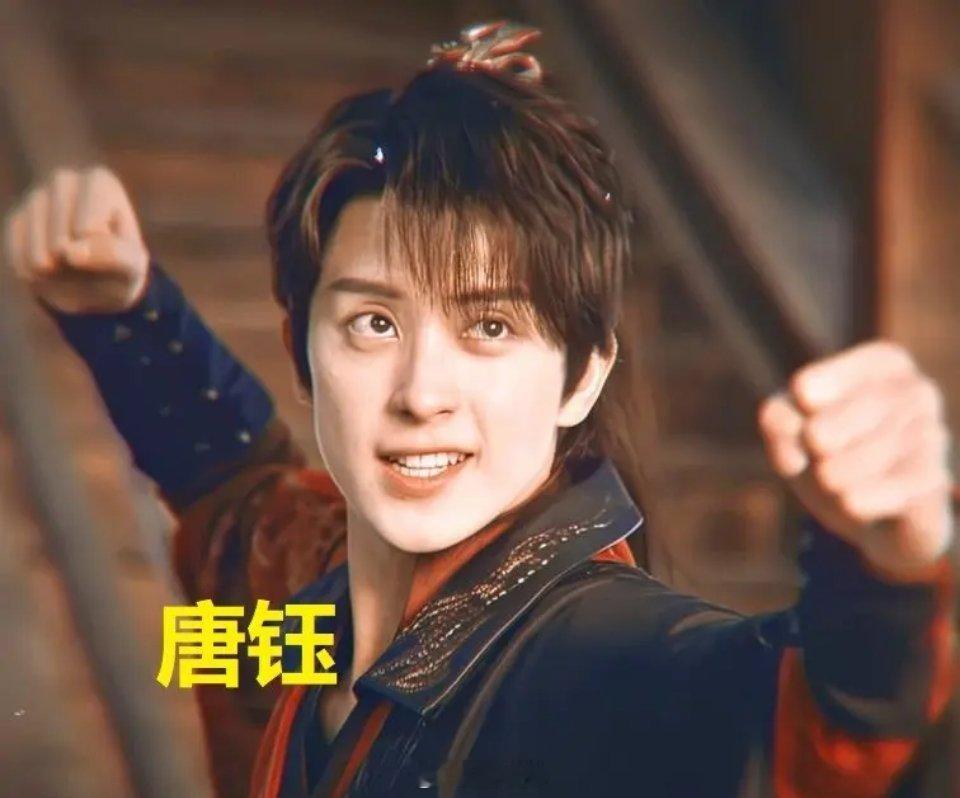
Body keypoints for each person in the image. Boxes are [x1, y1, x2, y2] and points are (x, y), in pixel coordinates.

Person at [3, 20, 957, 798]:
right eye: (374, 323)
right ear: (302, 352)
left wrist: (886, 580)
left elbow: (811, 737)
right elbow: (232, 495)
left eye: (491, 326)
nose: (422, 393)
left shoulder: (590, 664)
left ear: (582, 377)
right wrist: (123, 313)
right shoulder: (312, 614)